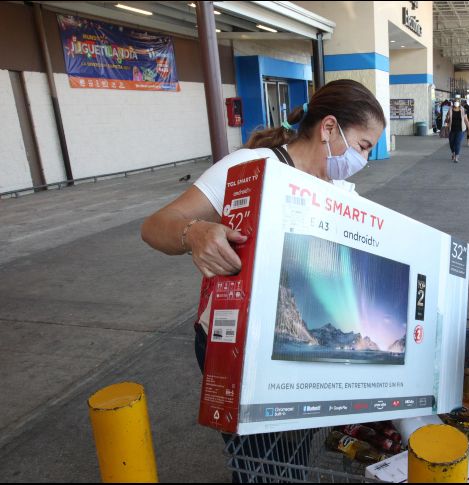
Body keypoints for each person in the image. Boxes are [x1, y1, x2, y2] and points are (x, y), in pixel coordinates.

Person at [140, 79, 387, 481]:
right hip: (233, 342)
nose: (364, 160)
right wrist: (194, 233)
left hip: (294, 350)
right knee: (256, 461)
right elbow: (155, 226)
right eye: (362, 146)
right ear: (328, 129)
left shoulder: (342, 197)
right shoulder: (249, 168)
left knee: (291, 453)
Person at [445, 99, 469, 163]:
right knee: (451, 143)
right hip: (452, 129)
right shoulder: (450, 109)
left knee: (457, 143)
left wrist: (468, 128)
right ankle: (453, 152)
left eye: (457, 102)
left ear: (459, 103)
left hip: (460, 129)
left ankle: (456, 157)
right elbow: (447, 119)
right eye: (455, 102)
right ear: (453, 103)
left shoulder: (463, 110)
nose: (456, 103)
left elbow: (466, 119)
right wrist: (447, 118)